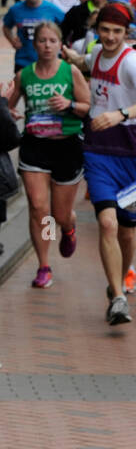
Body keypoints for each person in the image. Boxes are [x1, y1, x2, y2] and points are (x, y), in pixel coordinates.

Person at [77, 2, 136, 325]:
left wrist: (120, 115)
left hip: (133, 158)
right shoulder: (96, 54)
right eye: (105, 30)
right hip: (98, 153)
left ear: (126, 34)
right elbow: (84, 61)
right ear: (98, 31)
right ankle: (119, 296)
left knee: (127, 231)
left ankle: (119, 283)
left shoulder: (133, 61)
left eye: (116, 32)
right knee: (107, 224)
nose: (110, 37)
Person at [4, 21, 90, 287]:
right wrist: (11, 113)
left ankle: (68, 226)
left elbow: (87, 107)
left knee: (59, 214)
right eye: (42, 40)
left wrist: (69, 104)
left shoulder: (70, 71)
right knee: (38, 207)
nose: (47, 46)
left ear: (60, 44)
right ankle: (44, 265)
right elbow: (7, 104)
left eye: (53, 41)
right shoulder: (25, 75)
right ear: (35, 44)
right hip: (35, 146)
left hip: (67, 147)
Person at [4, 0, 66, 71]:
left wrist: (60, 44)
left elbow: (67, 26)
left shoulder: (52, 9)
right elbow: (6, 27)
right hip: (23, 61)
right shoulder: (15, 10)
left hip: (48, 62)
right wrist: (12, 41)